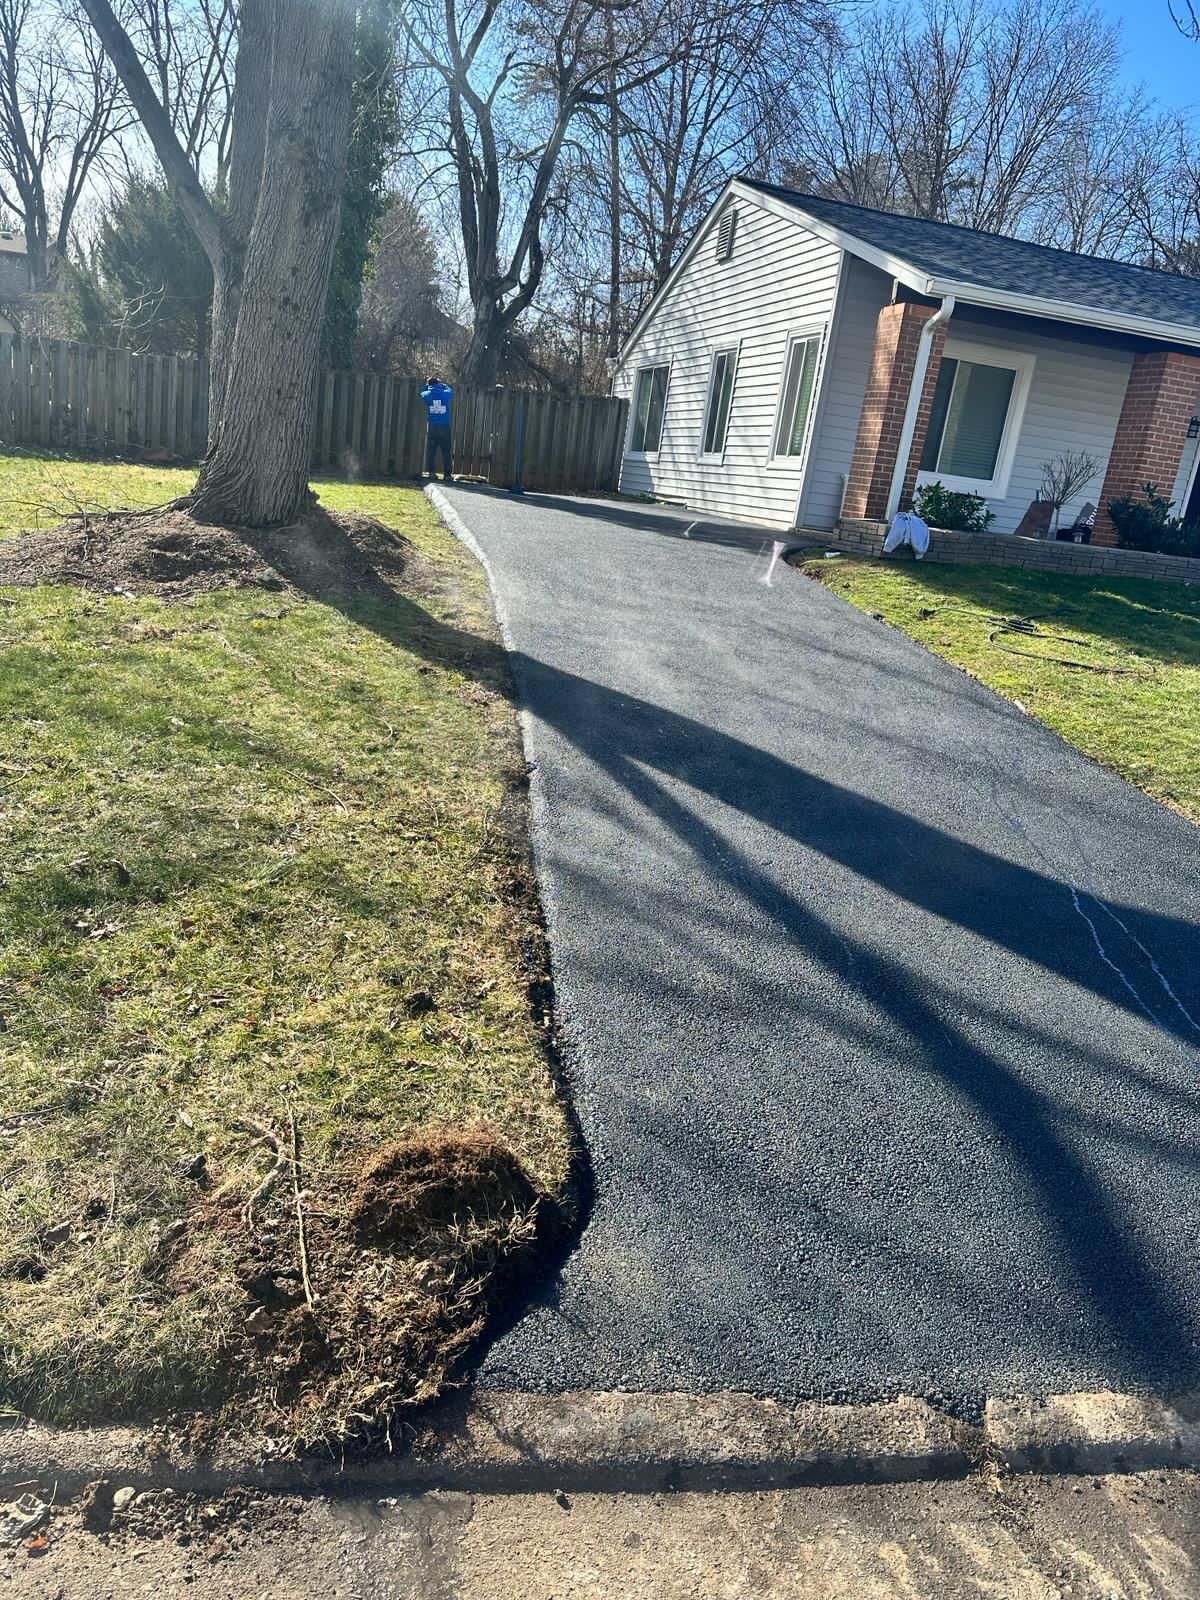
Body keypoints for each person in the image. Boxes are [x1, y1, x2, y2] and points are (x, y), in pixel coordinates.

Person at [421, 373, 454, 482]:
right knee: (446, 451)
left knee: (431, 451)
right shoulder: (446, 394)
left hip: (433, 426)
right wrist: (442, 384)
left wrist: (427, 385)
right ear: (438, 384)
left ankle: (431, 472)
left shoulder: (427, 394)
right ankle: (447, 475)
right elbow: (450, 390)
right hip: (445, 426)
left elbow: (422, 392)